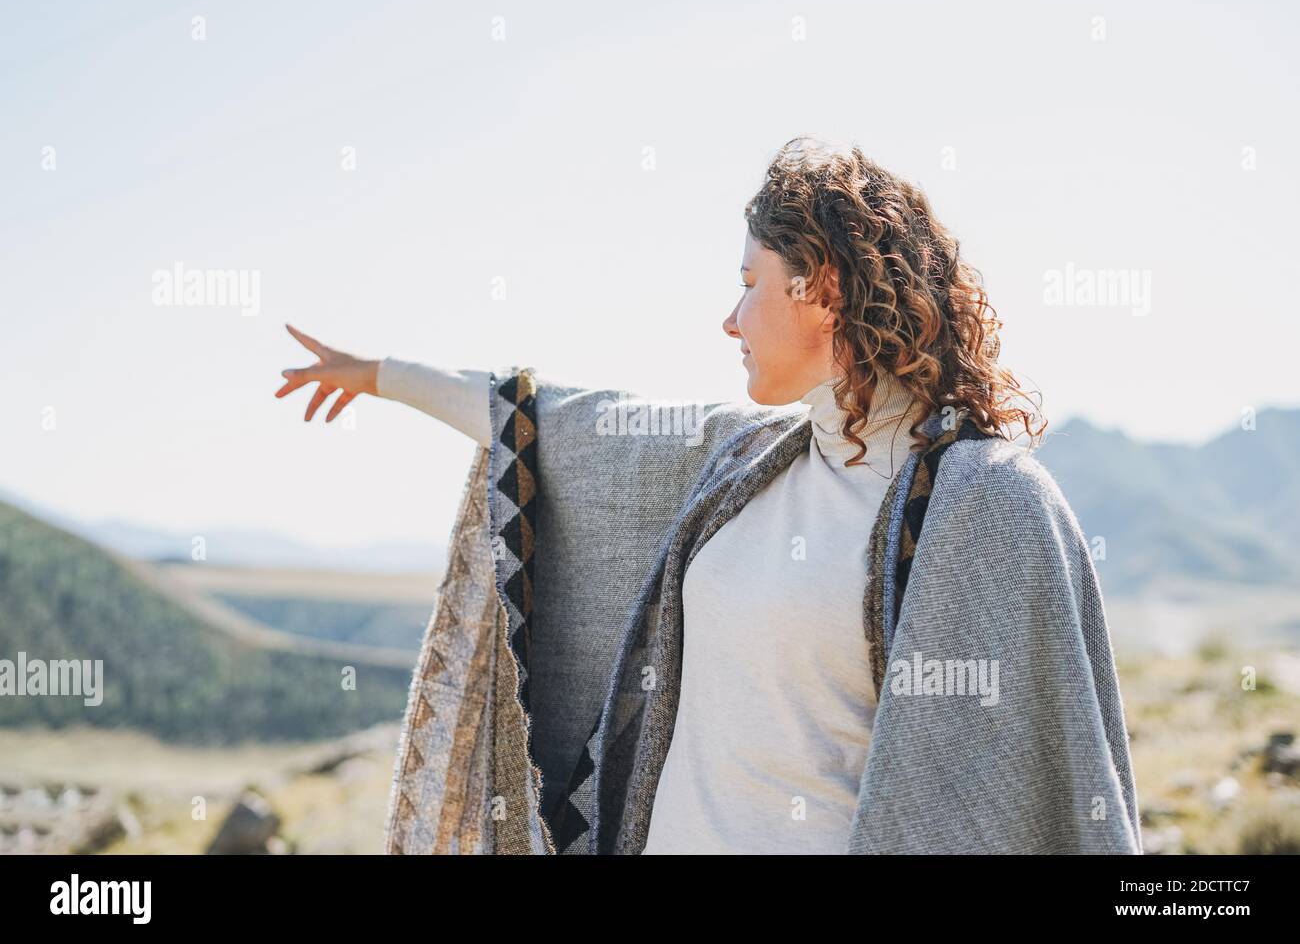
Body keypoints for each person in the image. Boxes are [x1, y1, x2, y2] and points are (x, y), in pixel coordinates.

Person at [275, 136, 1141, 855]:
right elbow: (565, 424)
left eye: (750, 282)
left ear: (823, 289)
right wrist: (384, 376)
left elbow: (1027, 791)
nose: (730, 319)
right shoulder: (742, 464)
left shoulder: (986, 503)